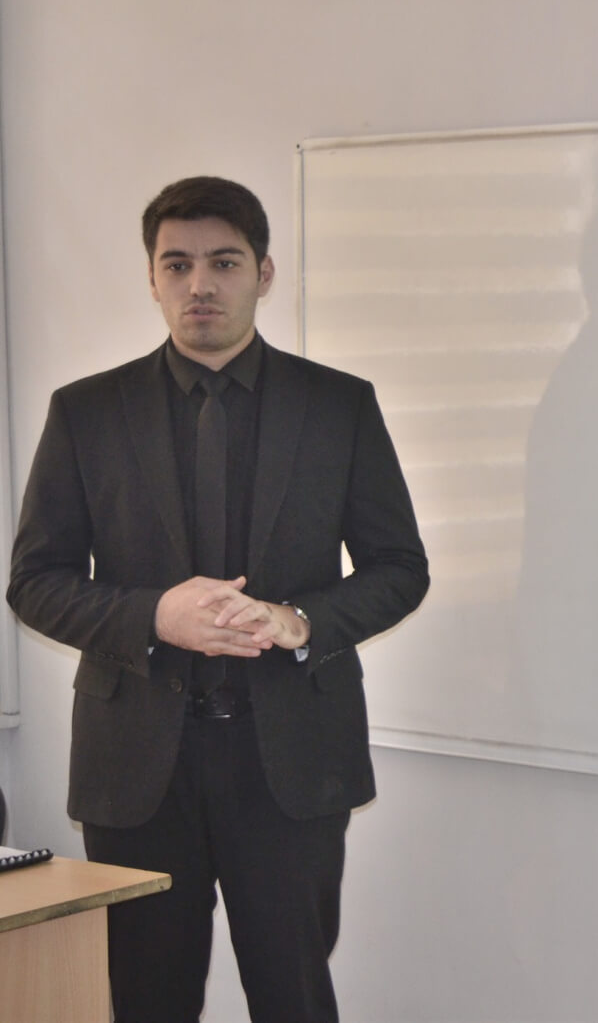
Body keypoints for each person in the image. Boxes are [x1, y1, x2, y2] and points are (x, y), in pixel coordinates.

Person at [8, 176, 429, 1022]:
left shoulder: (338, 406)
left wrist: (300, 621)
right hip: (137, 770)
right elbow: (35, 580)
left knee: (294, 996)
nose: (199, 284)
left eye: (224, 262)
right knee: (145, 1001)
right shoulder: (85, 412)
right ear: (152, 278)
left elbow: (398, 567)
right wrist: (152, 617)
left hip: (291, 765)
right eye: (178, 264)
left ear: (263, 274)